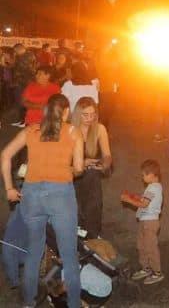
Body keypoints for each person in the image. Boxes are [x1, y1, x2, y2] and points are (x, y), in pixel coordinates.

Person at [2, 94, 85, 307]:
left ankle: (28, 303)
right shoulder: (74, 132)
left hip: (31, 195)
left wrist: (10, 188)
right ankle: (74, 304)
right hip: (60, 195)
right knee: (69, 256)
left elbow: (5, 155)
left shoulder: (31, 130)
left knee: (34, 252)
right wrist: (65, 169)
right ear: (66, 112)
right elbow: (78, 168)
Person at [71, 97, 111, 238]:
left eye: (93, 114)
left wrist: (105, 164)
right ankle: (77, 235)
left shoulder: (99, 129)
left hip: (90, 174)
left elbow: (107, 155)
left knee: (93, 203)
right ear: (77, 114)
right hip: (72, 174)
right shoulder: (70, 130)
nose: (90, 118)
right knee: (75, 208)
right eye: (85, 115)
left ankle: (92, 236)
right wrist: (81, 163)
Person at [121, 160, 165, 286]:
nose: (142, 177)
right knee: (142, 246)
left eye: (144, 175)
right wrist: (135, 197)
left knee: (151, 248)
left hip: (150, 223)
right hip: (145, 221)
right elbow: (144, 200)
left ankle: (157, 273)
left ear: (152, 174)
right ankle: (146, 268)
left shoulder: (154, 188)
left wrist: (128, 199)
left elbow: (144, 204)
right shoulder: (153, 187)